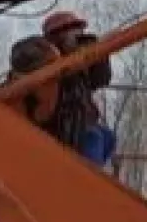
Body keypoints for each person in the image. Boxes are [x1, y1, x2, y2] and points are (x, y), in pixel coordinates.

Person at [8, 11, 117, 166]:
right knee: (94, 137)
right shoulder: (39, 56)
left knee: (107, 136)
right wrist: (56, 54)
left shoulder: (79, 65)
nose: (78, 35)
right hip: (54, 129)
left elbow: (101, 79)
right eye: (72, 31)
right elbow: (21, 54)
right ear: (56, 35)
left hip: (75, 126)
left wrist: (98, 54)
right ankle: (86, 182)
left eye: (79, 31)